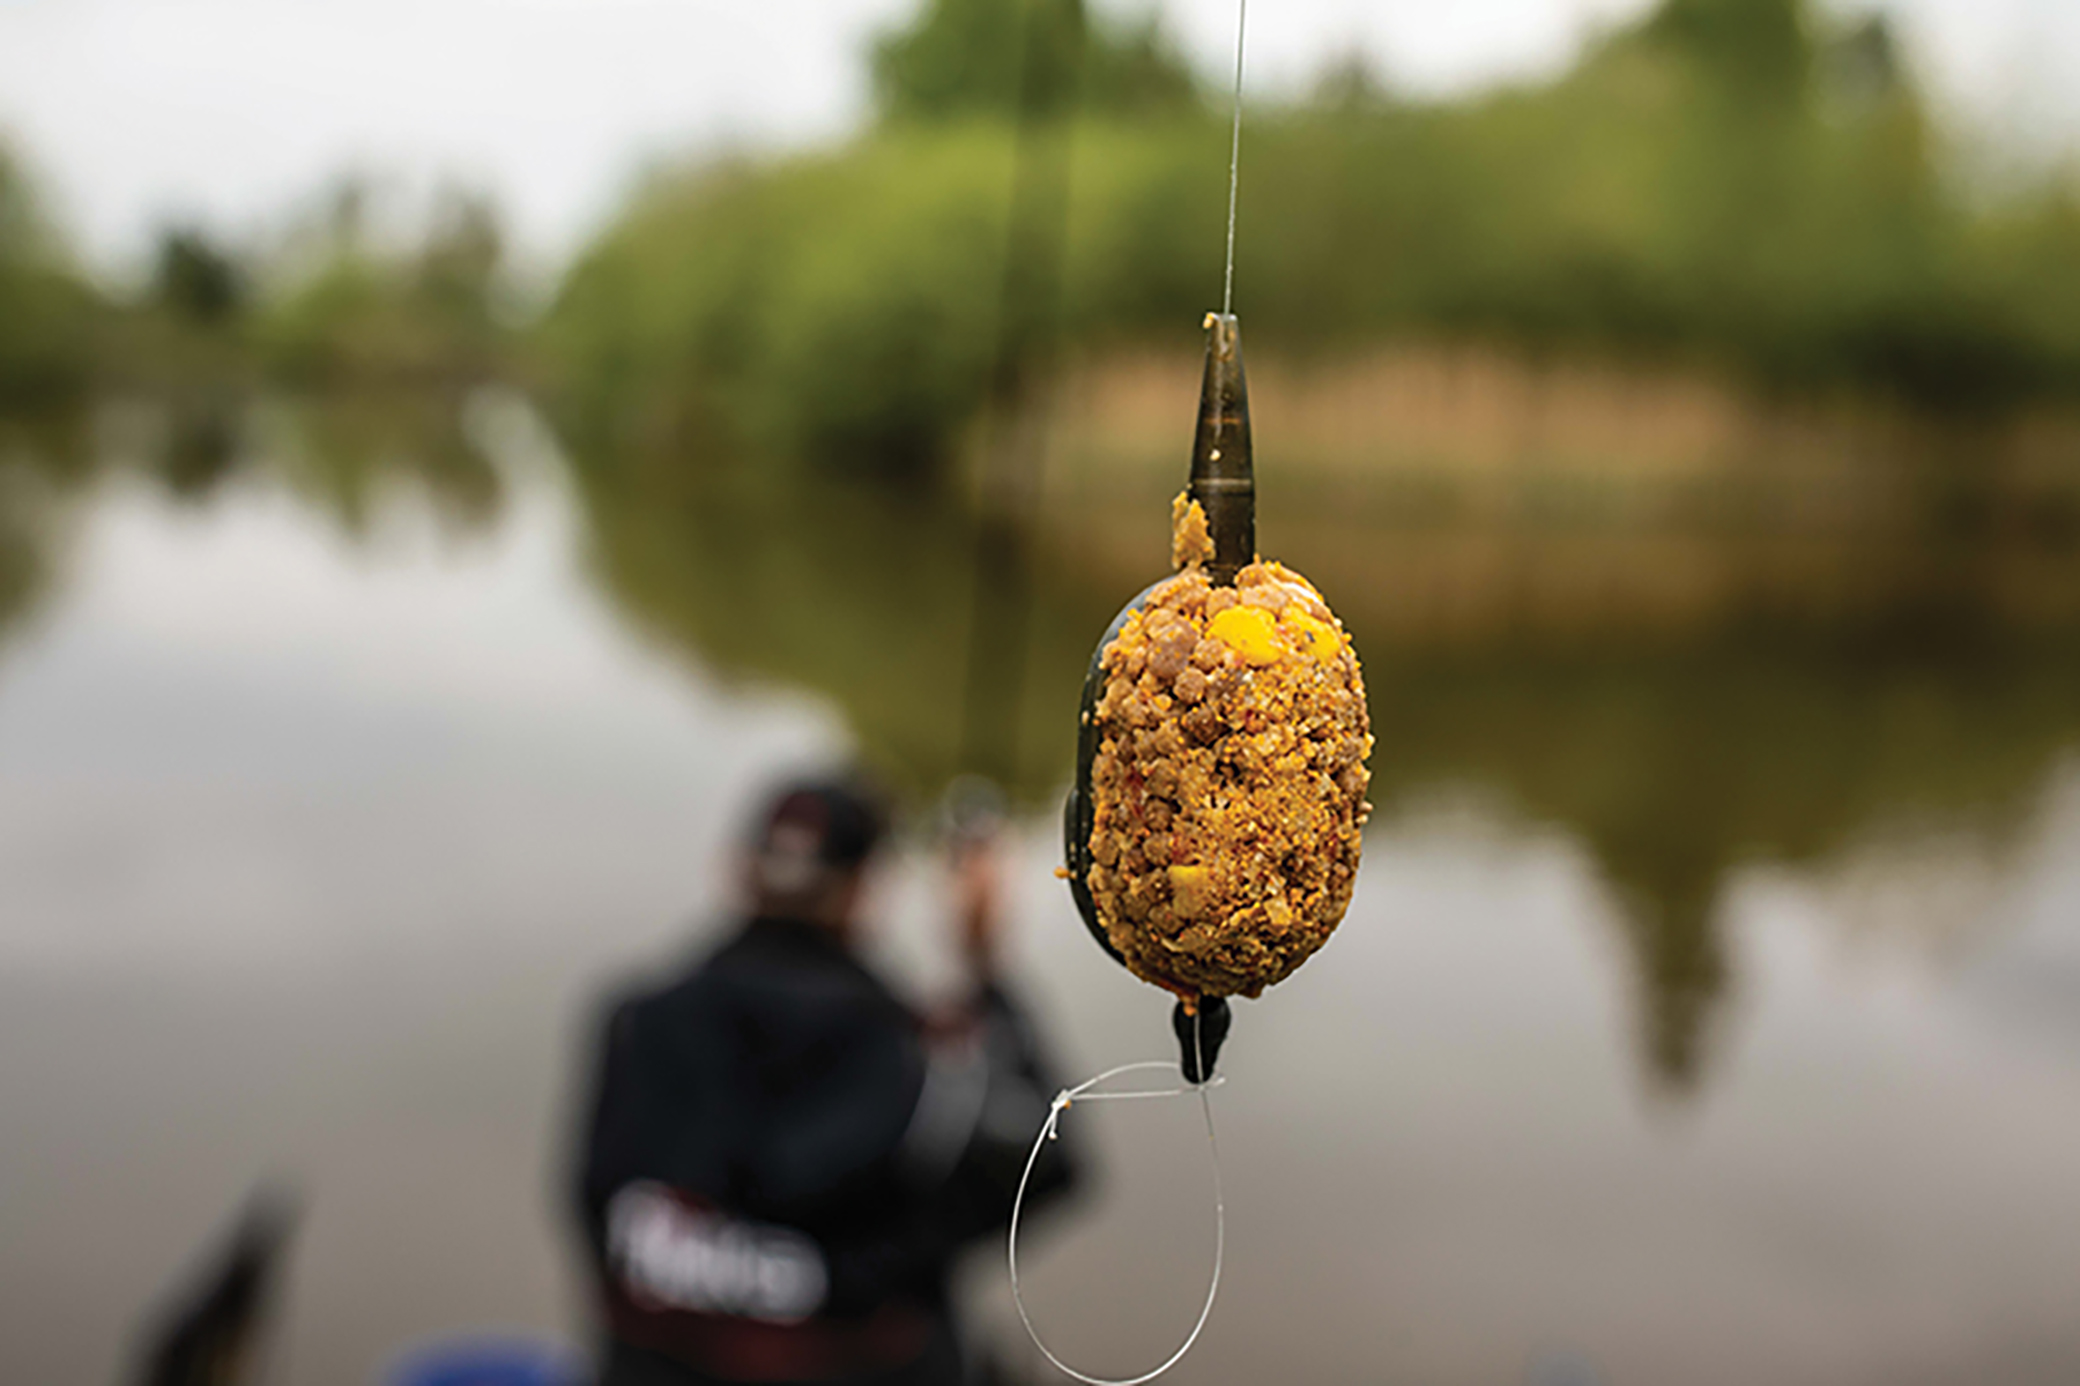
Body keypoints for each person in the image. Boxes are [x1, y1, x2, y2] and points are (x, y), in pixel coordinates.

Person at [571, 775, 1081, 1386]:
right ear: (863, 890)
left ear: (739, 871)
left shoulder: (633, 1024)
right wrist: (984, 966)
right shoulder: (916, 1052)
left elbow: (588, 1209)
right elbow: (1050, 1162)